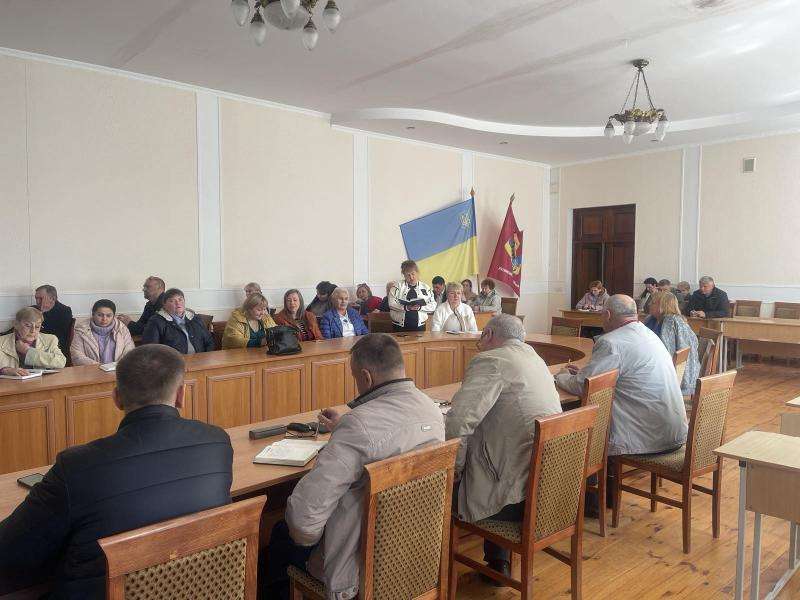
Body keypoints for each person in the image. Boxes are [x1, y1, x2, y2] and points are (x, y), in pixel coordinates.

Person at [0, 345, 233, 598]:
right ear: (181, 395)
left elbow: (9, 551)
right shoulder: (217, 443)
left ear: (117, 398)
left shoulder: (77, 467)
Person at [265, 334, 444, 599]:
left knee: (281, 535)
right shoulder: (432, 410)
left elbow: (304, 523)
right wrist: (345, 427)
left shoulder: (359, 426)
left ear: (366, 377)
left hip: (357, 567)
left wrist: (351, 428)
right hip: (416, 553)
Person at [446, 314, 561, 580]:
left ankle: (425, 576)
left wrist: (454, 472)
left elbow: (458, 424)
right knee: (498, 447)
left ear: (487, 335)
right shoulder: (535, 358)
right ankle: (498, 561)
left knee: (436, 481)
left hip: (512, 500)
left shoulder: (491, 360)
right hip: (549, 491)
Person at [555, 295, 688, 457]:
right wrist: (585, 373)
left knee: (565, 423)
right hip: (672, 433)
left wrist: (561, 375)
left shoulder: (611, 342)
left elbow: (582, 386)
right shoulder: (649, 334)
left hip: (644, 440)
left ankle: (584, 467)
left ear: (607, 315)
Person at [644, 292, 701, 397]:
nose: (649, 304)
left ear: (663, 305)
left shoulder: (673, 321)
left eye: (653, 302)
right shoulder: (650, 319)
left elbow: (681, 350)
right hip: (652, 361)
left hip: (670, 368)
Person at [141, 288, 214, 354]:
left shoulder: (195, 318)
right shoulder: (156, 321)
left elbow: (209, 342)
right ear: (164, 305)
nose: (178, 303)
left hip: (200, 360)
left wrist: (206, 357)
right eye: (172, 301)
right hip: (172, 362)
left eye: (180, 299)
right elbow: (151, 350)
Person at [0, 307, 66, 376]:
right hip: (10, 382)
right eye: (28, 326)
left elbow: (61, 362)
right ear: (16, 324)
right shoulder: (1, 341)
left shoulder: (49, 340)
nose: (33, 331)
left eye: (37, 327)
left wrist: (28, 351)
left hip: (41, 381)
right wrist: (4, 370)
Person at [70, 299, 135, 366]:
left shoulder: (122, 329)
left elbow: (129, 352)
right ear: (93, 314)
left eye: (108, 315)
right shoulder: (81, 329)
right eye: (100, 315)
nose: (104, 319)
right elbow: (77, 356)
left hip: (118, 369)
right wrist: (101, 367)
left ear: (113, 316)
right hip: (91, 371)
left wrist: (118, 366)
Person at [388, 260, 437, 332]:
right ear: (404, 275)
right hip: (399, 326)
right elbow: (391, 304)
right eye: (408, 275)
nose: (411, 277)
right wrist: (406, 307)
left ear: (417, 272)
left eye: (413, 274)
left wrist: (420, 307)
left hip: (419, 326)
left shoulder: (426, 287)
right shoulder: (397, 286)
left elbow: (433, 305)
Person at [33, 285, 73, 358]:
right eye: (36, 298)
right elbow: (18, 327)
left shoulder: (64, 311)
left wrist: (42, 313)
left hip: (53, 349)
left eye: (41, 298)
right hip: (33, 344)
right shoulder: (32, 309)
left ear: (52, 298)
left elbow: (58, 336)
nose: (37, 301)